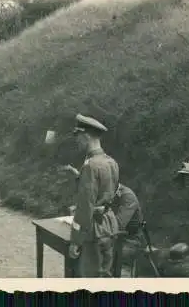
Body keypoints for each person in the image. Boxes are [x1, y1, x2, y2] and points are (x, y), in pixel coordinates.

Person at [67, 114, 120, 277]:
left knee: (89, 278)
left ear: (86, 136)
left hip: (92, 231)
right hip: (109, 226)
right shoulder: (111, 162)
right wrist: (80, 178)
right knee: (104, 275)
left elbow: (85, 207)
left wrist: (75, 240)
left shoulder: (90, 166)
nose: (77, 141)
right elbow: (110, 191)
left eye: (78, 137)